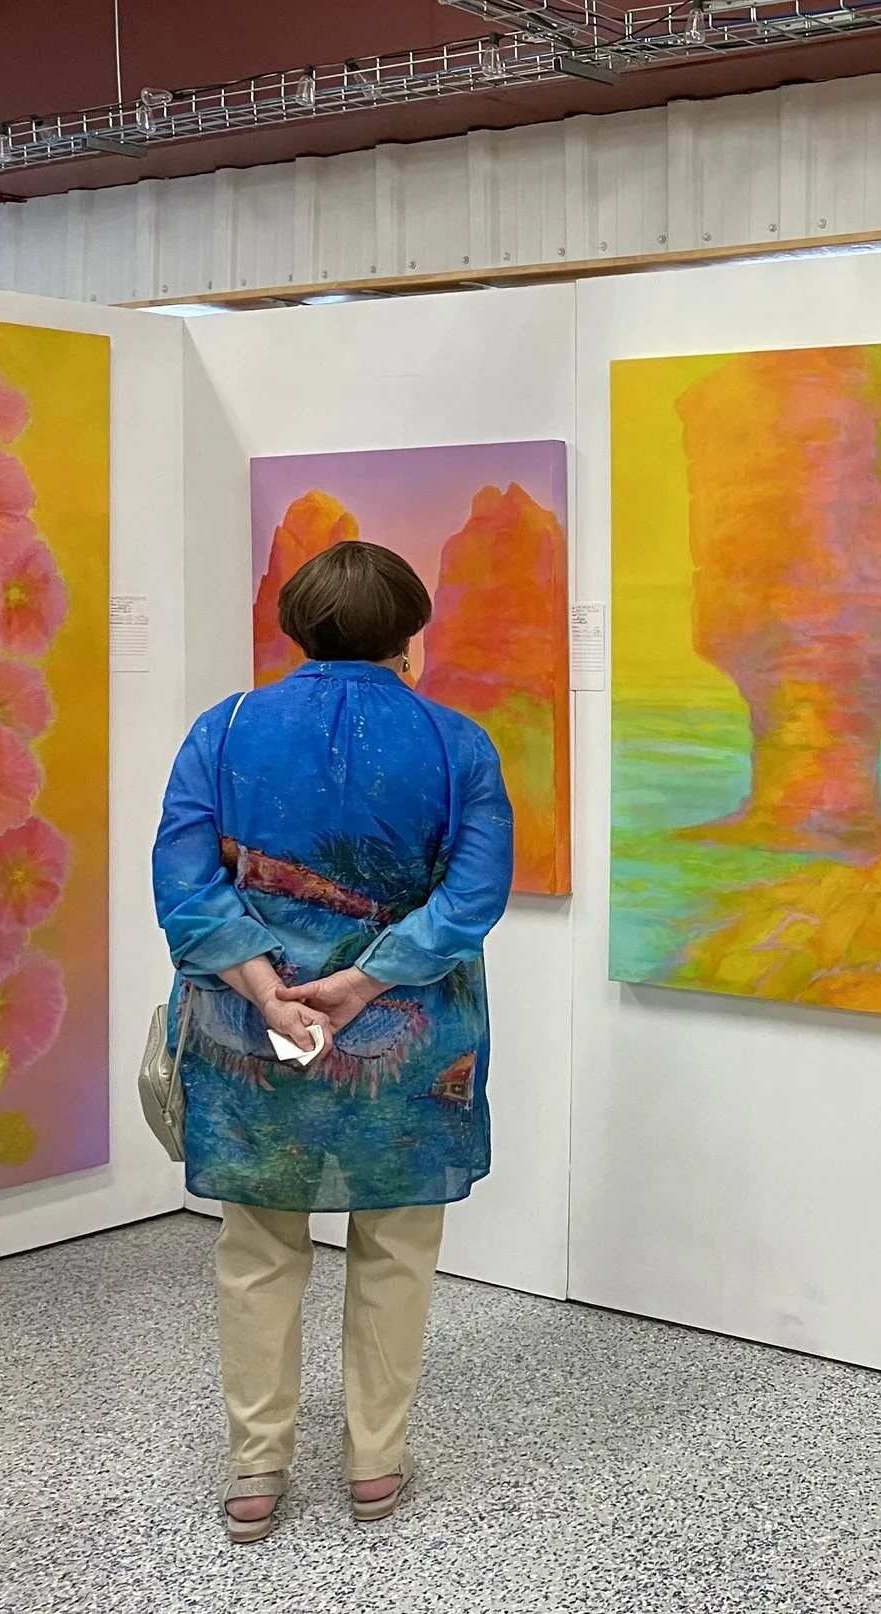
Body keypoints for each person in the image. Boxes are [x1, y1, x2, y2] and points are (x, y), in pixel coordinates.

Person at [152, 539, 514, 1543]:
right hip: (409, 1035)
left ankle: (256, 1473)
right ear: (412, 629)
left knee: (258, 1249)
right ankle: (374, 1465)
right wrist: (363, 981)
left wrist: (268, 989)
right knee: (396, 1245)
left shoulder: (222, 730)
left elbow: (186, 887)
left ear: (295, 625)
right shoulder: (455, 744)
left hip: (248, 1036)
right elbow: (471, 901)